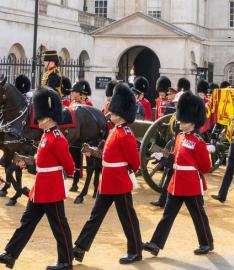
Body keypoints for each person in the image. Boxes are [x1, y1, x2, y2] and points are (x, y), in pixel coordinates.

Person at [0, 87, 75, 270]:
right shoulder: (46, 136)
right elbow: (40, 159)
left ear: (48, 117)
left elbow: (70, 167)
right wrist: (27, 162)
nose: (37, 120)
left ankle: (66, 262)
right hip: (40, 187)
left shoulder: (57, 138)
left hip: (52, 189)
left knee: (59, 226)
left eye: (40, 117)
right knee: (27, 222)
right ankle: (10, 254)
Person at [72, 83, 143, 265]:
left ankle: (135, 251)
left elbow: (135, 163)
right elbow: (106, 154)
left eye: (114, 111)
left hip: (119, 182)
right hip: (107, 182)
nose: (110, 113)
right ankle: (80, 248)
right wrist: (94, 152)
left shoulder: (126, 134)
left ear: (121, 113)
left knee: (127, 218)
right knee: (95, 216)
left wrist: (119, 170)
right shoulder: (114, 131)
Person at [143, 91, 214, 256]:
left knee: (198, 215)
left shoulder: (198, 141)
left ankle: (207, 243)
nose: (180, 122)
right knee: (167, 215)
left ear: (193, 121)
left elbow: (205, 166)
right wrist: (163, 156)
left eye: (184, 120)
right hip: (176, 183)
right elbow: (175, 158)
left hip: (190, 184)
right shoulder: (180, 137)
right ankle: (155, 244)